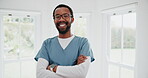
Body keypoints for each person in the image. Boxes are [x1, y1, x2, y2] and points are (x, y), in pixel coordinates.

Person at [34, 4, 95, 78]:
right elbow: (40, 74)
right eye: (57, 16)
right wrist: (73, 71)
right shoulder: (47, 44)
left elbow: (81, 73)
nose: (61, 19)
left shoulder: (83, 43)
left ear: (72, 19)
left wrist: (53, 67)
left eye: (65, 16)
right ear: (54, 20)